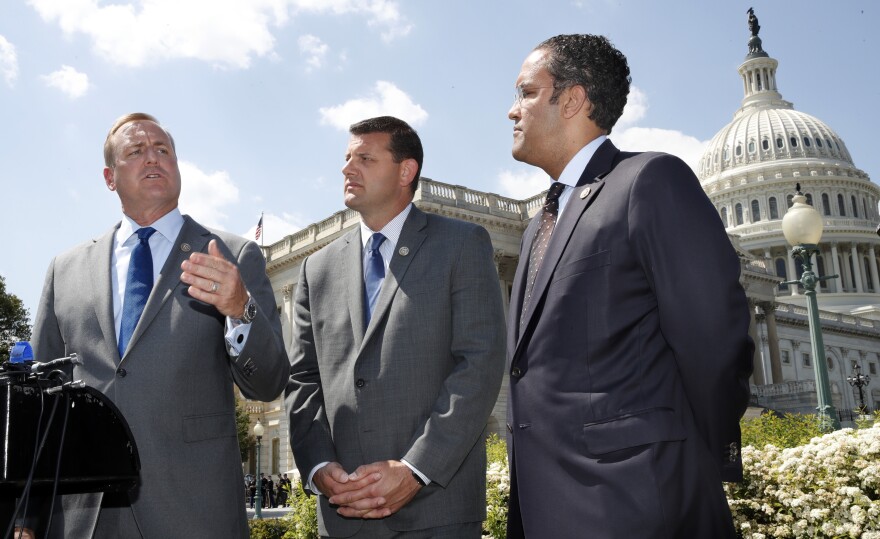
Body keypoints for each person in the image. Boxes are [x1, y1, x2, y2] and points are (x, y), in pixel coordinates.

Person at [504, 35, 754, 538]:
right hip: (544, 509)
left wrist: (687, 454)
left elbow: (715, 341)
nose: (513, 111)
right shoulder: (538, 224)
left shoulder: (650, 180)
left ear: (572, 99)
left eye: (526, 93)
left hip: (639, 503)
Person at [30, 112, 289, 537]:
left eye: (163, 150)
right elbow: (41, 403)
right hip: (84, 515)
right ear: (110, 178)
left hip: (193, 512)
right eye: (136, 151)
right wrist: (26, 515)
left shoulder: (233, 255)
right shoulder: (65, 270)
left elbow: (270, 382)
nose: (154, 159)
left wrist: (240, 308)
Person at [285, 116, 505, 537]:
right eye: (346, 159)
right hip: (344, 508)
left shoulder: (461, 245)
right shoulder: (318, 268)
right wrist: (317, 465)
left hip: (436, 510)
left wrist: (416, 469)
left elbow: (478, 364)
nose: (348, 169)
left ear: (406, 171)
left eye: (365, 158)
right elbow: (303, 378)